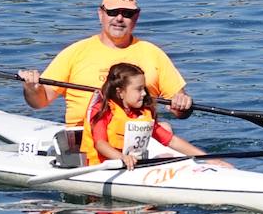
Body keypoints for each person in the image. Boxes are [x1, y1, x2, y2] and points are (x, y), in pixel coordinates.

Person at [18, 0, 193, 128]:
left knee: (165, 128)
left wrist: (182, 104)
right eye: (113, 12)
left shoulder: (153, 53)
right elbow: (39, 102)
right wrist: (32, 88)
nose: (119, 18)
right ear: (100, 14)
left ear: (136, 17)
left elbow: (179, 110)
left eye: (127, 13)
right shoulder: (75, 52)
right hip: (84, 141)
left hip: (137, 139)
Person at [81, 62, 214, 168]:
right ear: (120, 92)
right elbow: (100, 143)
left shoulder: (141, 113)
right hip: (102, 167)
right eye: (139, 89)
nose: (144, 93)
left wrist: (209, 159)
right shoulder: (103, 109)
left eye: (144, 88)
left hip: (132, 166)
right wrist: (122, 158)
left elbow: (170, 140)